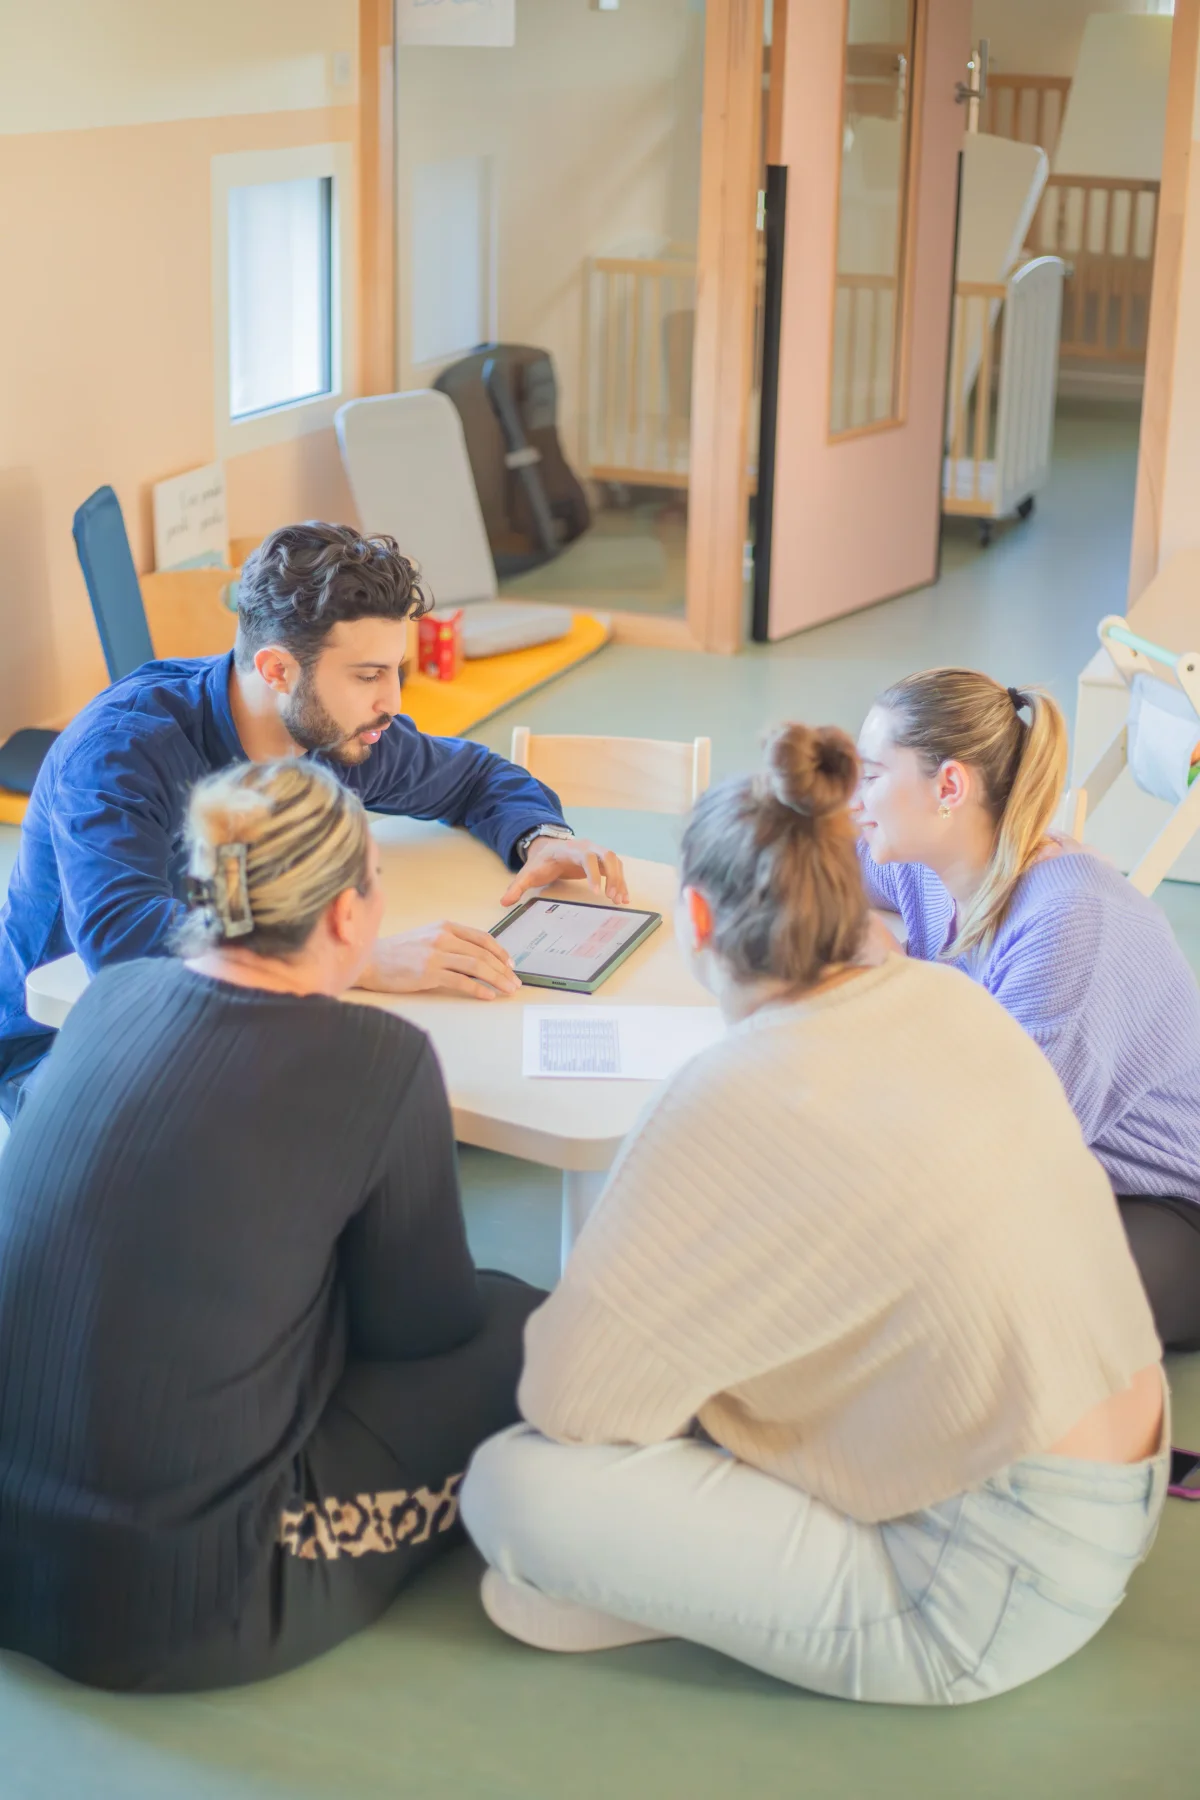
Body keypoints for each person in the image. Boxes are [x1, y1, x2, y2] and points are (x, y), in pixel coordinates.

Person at [460, 724, 1167, 1706]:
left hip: (983, 1591)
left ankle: (724, 1587)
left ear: (695, 919)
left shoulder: (722, 1092)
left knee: (510, 1489)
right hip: (1124, 1484)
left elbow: (575, 1410)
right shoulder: (954, 1001)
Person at [0, 760, 543, 1691]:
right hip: (194, 1601)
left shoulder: (109, 999)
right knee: (523, 1327)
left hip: (15, 1560)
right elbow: (422, 1333)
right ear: (344, 916)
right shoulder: (380, 1061)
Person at [0, 521, 629, 1122]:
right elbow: (121, 938)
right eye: (368, 675)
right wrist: (355, 960)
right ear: (277, 670)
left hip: (241, 1017)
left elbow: (474, 777)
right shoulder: (120, 750)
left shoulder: (339, 730)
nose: (393, 701)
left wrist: (541, 836)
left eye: (395, 670)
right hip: (69, 1047)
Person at [853, 667, 1200, 1351]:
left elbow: (1002, 1153)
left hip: (1167, 1207)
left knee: (964, 1302)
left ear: (948, 787)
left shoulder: (1068, 918)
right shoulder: (927, 863)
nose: (857, 800)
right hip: (1067, 1171)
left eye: (871, 775)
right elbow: (810, 852)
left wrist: (888, 979)